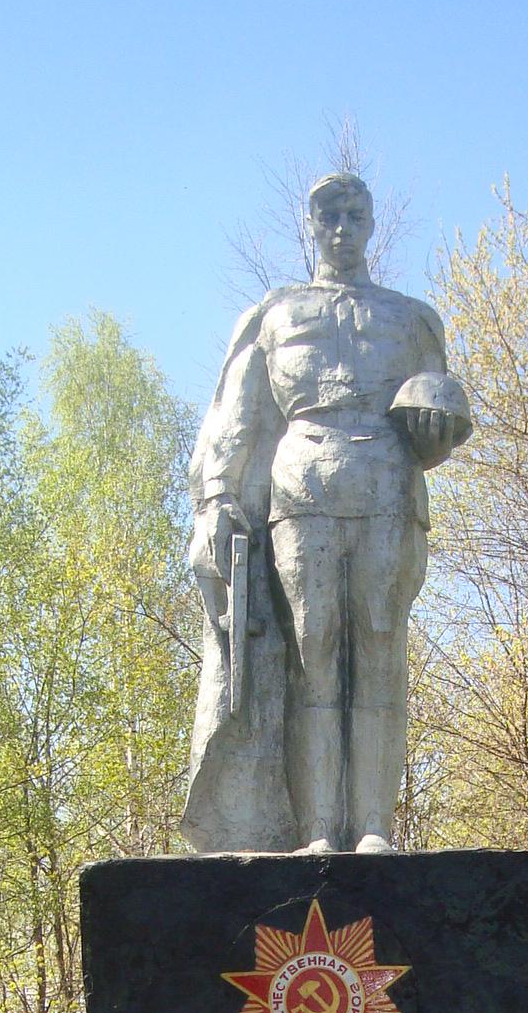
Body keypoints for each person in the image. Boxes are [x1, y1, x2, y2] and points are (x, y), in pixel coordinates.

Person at [183, 169, 471, 855]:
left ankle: (372, 823)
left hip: (388, 490)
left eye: (354, 214)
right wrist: (220, 495)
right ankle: (315, 829)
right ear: (310, 226)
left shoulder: (412, 319)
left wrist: (439, 429)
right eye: (328, 216)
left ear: (371, 223)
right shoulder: (276, 314)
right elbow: (237, 415)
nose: (341, 227)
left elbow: (439, 414)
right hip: (302, 485)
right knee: (313, 653)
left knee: (378, 648)